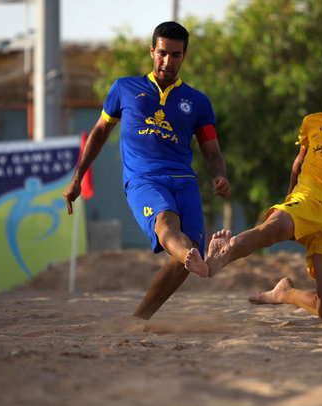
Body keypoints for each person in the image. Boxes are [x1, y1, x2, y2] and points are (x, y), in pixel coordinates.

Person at [185, 65, 322, 320]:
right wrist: (289, 199)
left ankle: (285, 293)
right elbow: (299, 163)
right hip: (307, 200)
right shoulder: (312, 122)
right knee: (272, 228)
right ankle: (216, 259)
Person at [63, 22, 230, 320]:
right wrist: (77, 177)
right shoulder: (124, 88)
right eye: (163, 53)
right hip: (144, 179)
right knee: (167, 221)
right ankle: (196, 259)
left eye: (176, 55)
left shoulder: (199, 102)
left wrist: (220, 175)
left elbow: (212, 150)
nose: (168, 61)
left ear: (185, 56)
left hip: (184, 181)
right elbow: (99, 132)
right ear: (152, 51)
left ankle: (139, 319)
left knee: (185, 256)